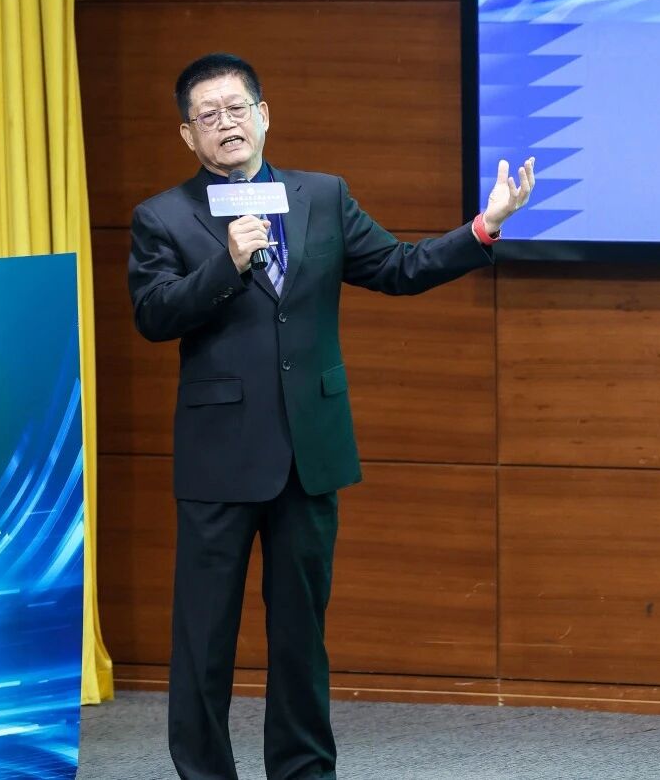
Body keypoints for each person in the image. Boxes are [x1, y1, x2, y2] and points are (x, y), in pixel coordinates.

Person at [127, 53, 535, 780]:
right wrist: (226, 265)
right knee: (203, 642)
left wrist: (484, 227)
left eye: (237, 107)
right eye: (208, 115)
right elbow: (153, 315)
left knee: (300, 638)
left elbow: (400, 268)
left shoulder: (321, 195)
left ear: (264, 115)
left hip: (309, 454)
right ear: (188, 136)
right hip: (220, 460)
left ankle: (304, 772)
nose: (226, 123)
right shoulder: (163, 216)